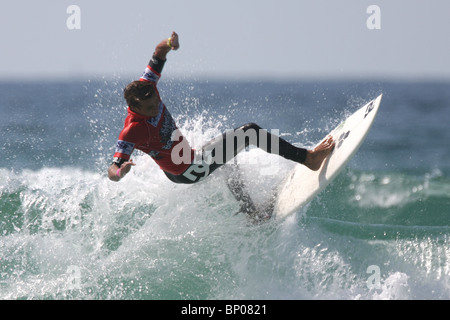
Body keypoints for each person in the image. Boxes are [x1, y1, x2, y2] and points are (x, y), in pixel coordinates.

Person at [108, 31, 335, 191]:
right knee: (250, 132)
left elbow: (158, 53)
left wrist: (170, 43)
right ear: (134, 107)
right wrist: (121, 172)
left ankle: (250, 212)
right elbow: (113, 171)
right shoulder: (132, 131)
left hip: (185, 163)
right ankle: (309, 159)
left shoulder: (148, 86)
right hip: (186, 171)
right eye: (149, 108)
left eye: (156, 101)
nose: (156, 107)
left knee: (228, 156)